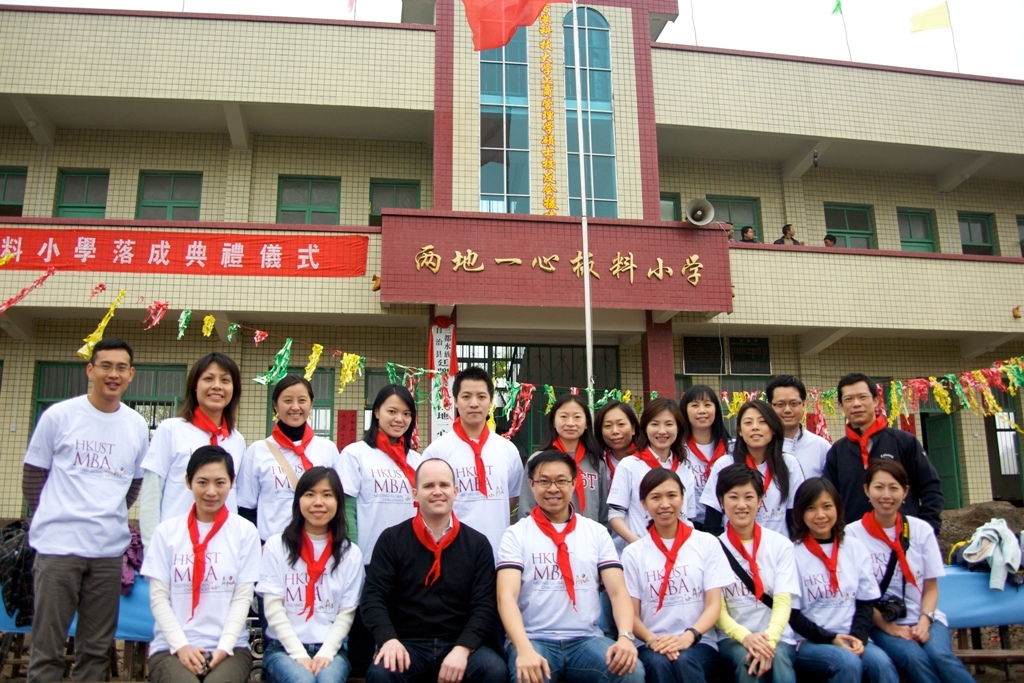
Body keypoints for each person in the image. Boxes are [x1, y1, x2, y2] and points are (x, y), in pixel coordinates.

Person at [22, 338, 150, 683]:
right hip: (58, 549)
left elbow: (133, 484)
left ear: (131, 374)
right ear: (90, 370)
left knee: (95, 650)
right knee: (47, 650)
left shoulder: (136, 425)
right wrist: (52, 517)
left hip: (107, 552)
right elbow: (33, 476)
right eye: (105, 366)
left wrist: (105, 514)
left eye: (121, 368)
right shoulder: (59, 416)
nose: (113, 374)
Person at [497, 451, 644, 683]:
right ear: (531, 485)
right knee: (529, 676)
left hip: (585, 640)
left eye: (561, 481)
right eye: (544, 481)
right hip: (534, 638)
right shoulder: (516, 534)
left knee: (630, 672)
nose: (553, 489)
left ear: (574, 484)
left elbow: (617, 592)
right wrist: (523, 649)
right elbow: (506, 596)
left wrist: (625, 637)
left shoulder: (596, 532)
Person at [360, 458, 506, 683]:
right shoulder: (391, 539)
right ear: (415, 494)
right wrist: (388, 640)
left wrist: (463, 647)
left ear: (455, 491)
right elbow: (373, 598)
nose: (437, 492)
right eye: (429, 486)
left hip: (459, 642)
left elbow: (485, 605)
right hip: (407, 643)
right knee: (381, 674)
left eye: (444, 485)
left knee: (494, 670)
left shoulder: (477, 544)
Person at [141, 445, 261, 683]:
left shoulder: (245, 533)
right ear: (188, 482)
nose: (211, 491)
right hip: (171, 648)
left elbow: (242, 598)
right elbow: (159, 598)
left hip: (230, 649)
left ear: (232, 482)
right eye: (202, 482)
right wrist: (182, 647)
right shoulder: (166, 532)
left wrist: (224, 647)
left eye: (220, 482)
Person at [846, 461, 974, 683]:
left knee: (940, 656)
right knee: (914, 657)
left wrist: (924, 621)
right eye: (879, 487)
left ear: (905, 492)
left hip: (925, 617)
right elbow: (858, 596)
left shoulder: (921, 530)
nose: (886, 495)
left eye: (894, 488)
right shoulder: (852, 534)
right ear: (867, 490)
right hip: (879, 623)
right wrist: (890, 628)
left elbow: (931, 587)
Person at [622, 468, 731, 683]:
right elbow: (631, 614)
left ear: (682, 498)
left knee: (684, 660)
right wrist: (653, 640)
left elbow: (714, 605)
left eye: (672, 495)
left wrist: (689, 637)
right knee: (658, 663)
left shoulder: (706, 543)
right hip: (650, 642)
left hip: (699, 641)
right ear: (643, 504)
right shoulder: (633, 553)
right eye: (655, 497)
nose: (665, 504)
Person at [257, 467, 364, 683]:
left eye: (327, 495)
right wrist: (298, 653)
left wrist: (326, 653)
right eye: (310, 494)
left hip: (332, 650)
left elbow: (346, 612)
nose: (318, 502)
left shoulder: (350, 553)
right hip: (283, 649)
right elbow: (273, 608)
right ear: (298, 500)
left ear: (338, 502)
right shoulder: (277, 546)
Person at [788, 478, 898, 683]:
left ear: (838, 508)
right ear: (800, 512)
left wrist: (858, 638)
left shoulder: (855, 548)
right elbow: (791, 614)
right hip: (810, 641)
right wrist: (831, 638)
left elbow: (865, 603)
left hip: (851, 635)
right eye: (811, 508)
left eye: (827, 506)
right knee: (848, 662)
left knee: (881, 663)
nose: (820, 515)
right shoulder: (792, 553)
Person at [140, 352, 245, 546]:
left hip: (222, 545)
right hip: (176, 543)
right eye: (208, 379)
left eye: (225, 380)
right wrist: (151, 548)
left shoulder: (236, 440)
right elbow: (151, 494)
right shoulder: (171, 430)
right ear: (195, 385)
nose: (217, 386)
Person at [421, 366, 523, 557]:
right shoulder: (437, 451)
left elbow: (512, 497)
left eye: (481, 397)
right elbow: (427, 502)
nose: (474, 403)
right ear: (455, 401)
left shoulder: (508, 450)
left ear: (491, 401)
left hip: (499, 552)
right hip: (451, 553)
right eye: (466, 396)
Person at [823, 373, 944, 533]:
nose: (856, 404)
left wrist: (928, 529)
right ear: (841, 406)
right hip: (855, 539)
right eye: (849, 399)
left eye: (862, 397)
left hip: (902, 537)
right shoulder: (837, 452)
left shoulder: (904, 442)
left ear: (875, 400)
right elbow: (829, 498)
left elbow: (930, 487)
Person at [713, 464, 798, 683]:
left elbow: (783, 601)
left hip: (777, 637)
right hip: (732, 638)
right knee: (747, 660)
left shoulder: (780, 545)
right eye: (733, 497)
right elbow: (717, 610)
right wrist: (746, 637)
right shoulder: (711, 549)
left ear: (760, 501)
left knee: (778, 658)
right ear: (721, 501)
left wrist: (768, 642)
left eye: (749, 497)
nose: (741, 505)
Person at [237, 375, 341, 542]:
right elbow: (246, 507)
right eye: (287, 400)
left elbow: (337, 502)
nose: (295, 407)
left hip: (317, 545)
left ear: (311, 404)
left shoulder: (327, 449)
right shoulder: (257, 451)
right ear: (275, 405)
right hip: (270, 546)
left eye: (302, 400)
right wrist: (258, 545)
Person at [338, 384, 420, 561]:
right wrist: (352, 555)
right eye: (392, 411)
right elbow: (346, 510)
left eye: (406, 414)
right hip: (369, 557)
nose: (399, 419)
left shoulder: (416, 460)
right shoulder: (355, 454)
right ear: (376, 412)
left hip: (411, 559)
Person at [700, 401, 805, 537]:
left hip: (776, 546)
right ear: (740, 431)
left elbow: (795, 515)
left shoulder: (789, 464)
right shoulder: (725, 464)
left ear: (773, 428)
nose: (755, 427)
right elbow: (713, 518)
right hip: (734, 546)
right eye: (748, 423)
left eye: (762, 422)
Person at [608, 398, 697, 544]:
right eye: (655, 424)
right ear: (645, 428)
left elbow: (688, 517)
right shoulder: (629, 465)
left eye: (669, 424)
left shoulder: (684, 469)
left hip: (678, 550)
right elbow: (615, 514)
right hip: (640, 550)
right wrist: (638, 543)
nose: (662, 431)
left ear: (678, 428)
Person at [518, 394, 606, 524]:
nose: (570, 423)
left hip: (589, 535)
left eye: (577, 417)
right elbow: (526, 508)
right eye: (564, 417)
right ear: (553, 421)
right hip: (546, 533)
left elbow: (603, 512)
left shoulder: (596, 462)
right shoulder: (537, 460)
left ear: (587, 423)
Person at [679, 385, 731, 531]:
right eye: (695, 405)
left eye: (707, 405)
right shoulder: (677, 450)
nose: (702, 410)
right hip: (688, 526)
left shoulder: (732, 449)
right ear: (685, 410)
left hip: (726, 525)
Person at [766, 375, 830, 479]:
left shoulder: (821, 446)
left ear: (804, 405)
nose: (787, 410)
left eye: (794, 404)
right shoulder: (761, 445)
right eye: (780, 404)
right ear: (769, 407)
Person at [595, 399, 639, 484]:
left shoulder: (646, 459)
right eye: (608, 426)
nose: (615, 431)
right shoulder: (596, 463)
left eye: (621, 424)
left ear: (633, 429)